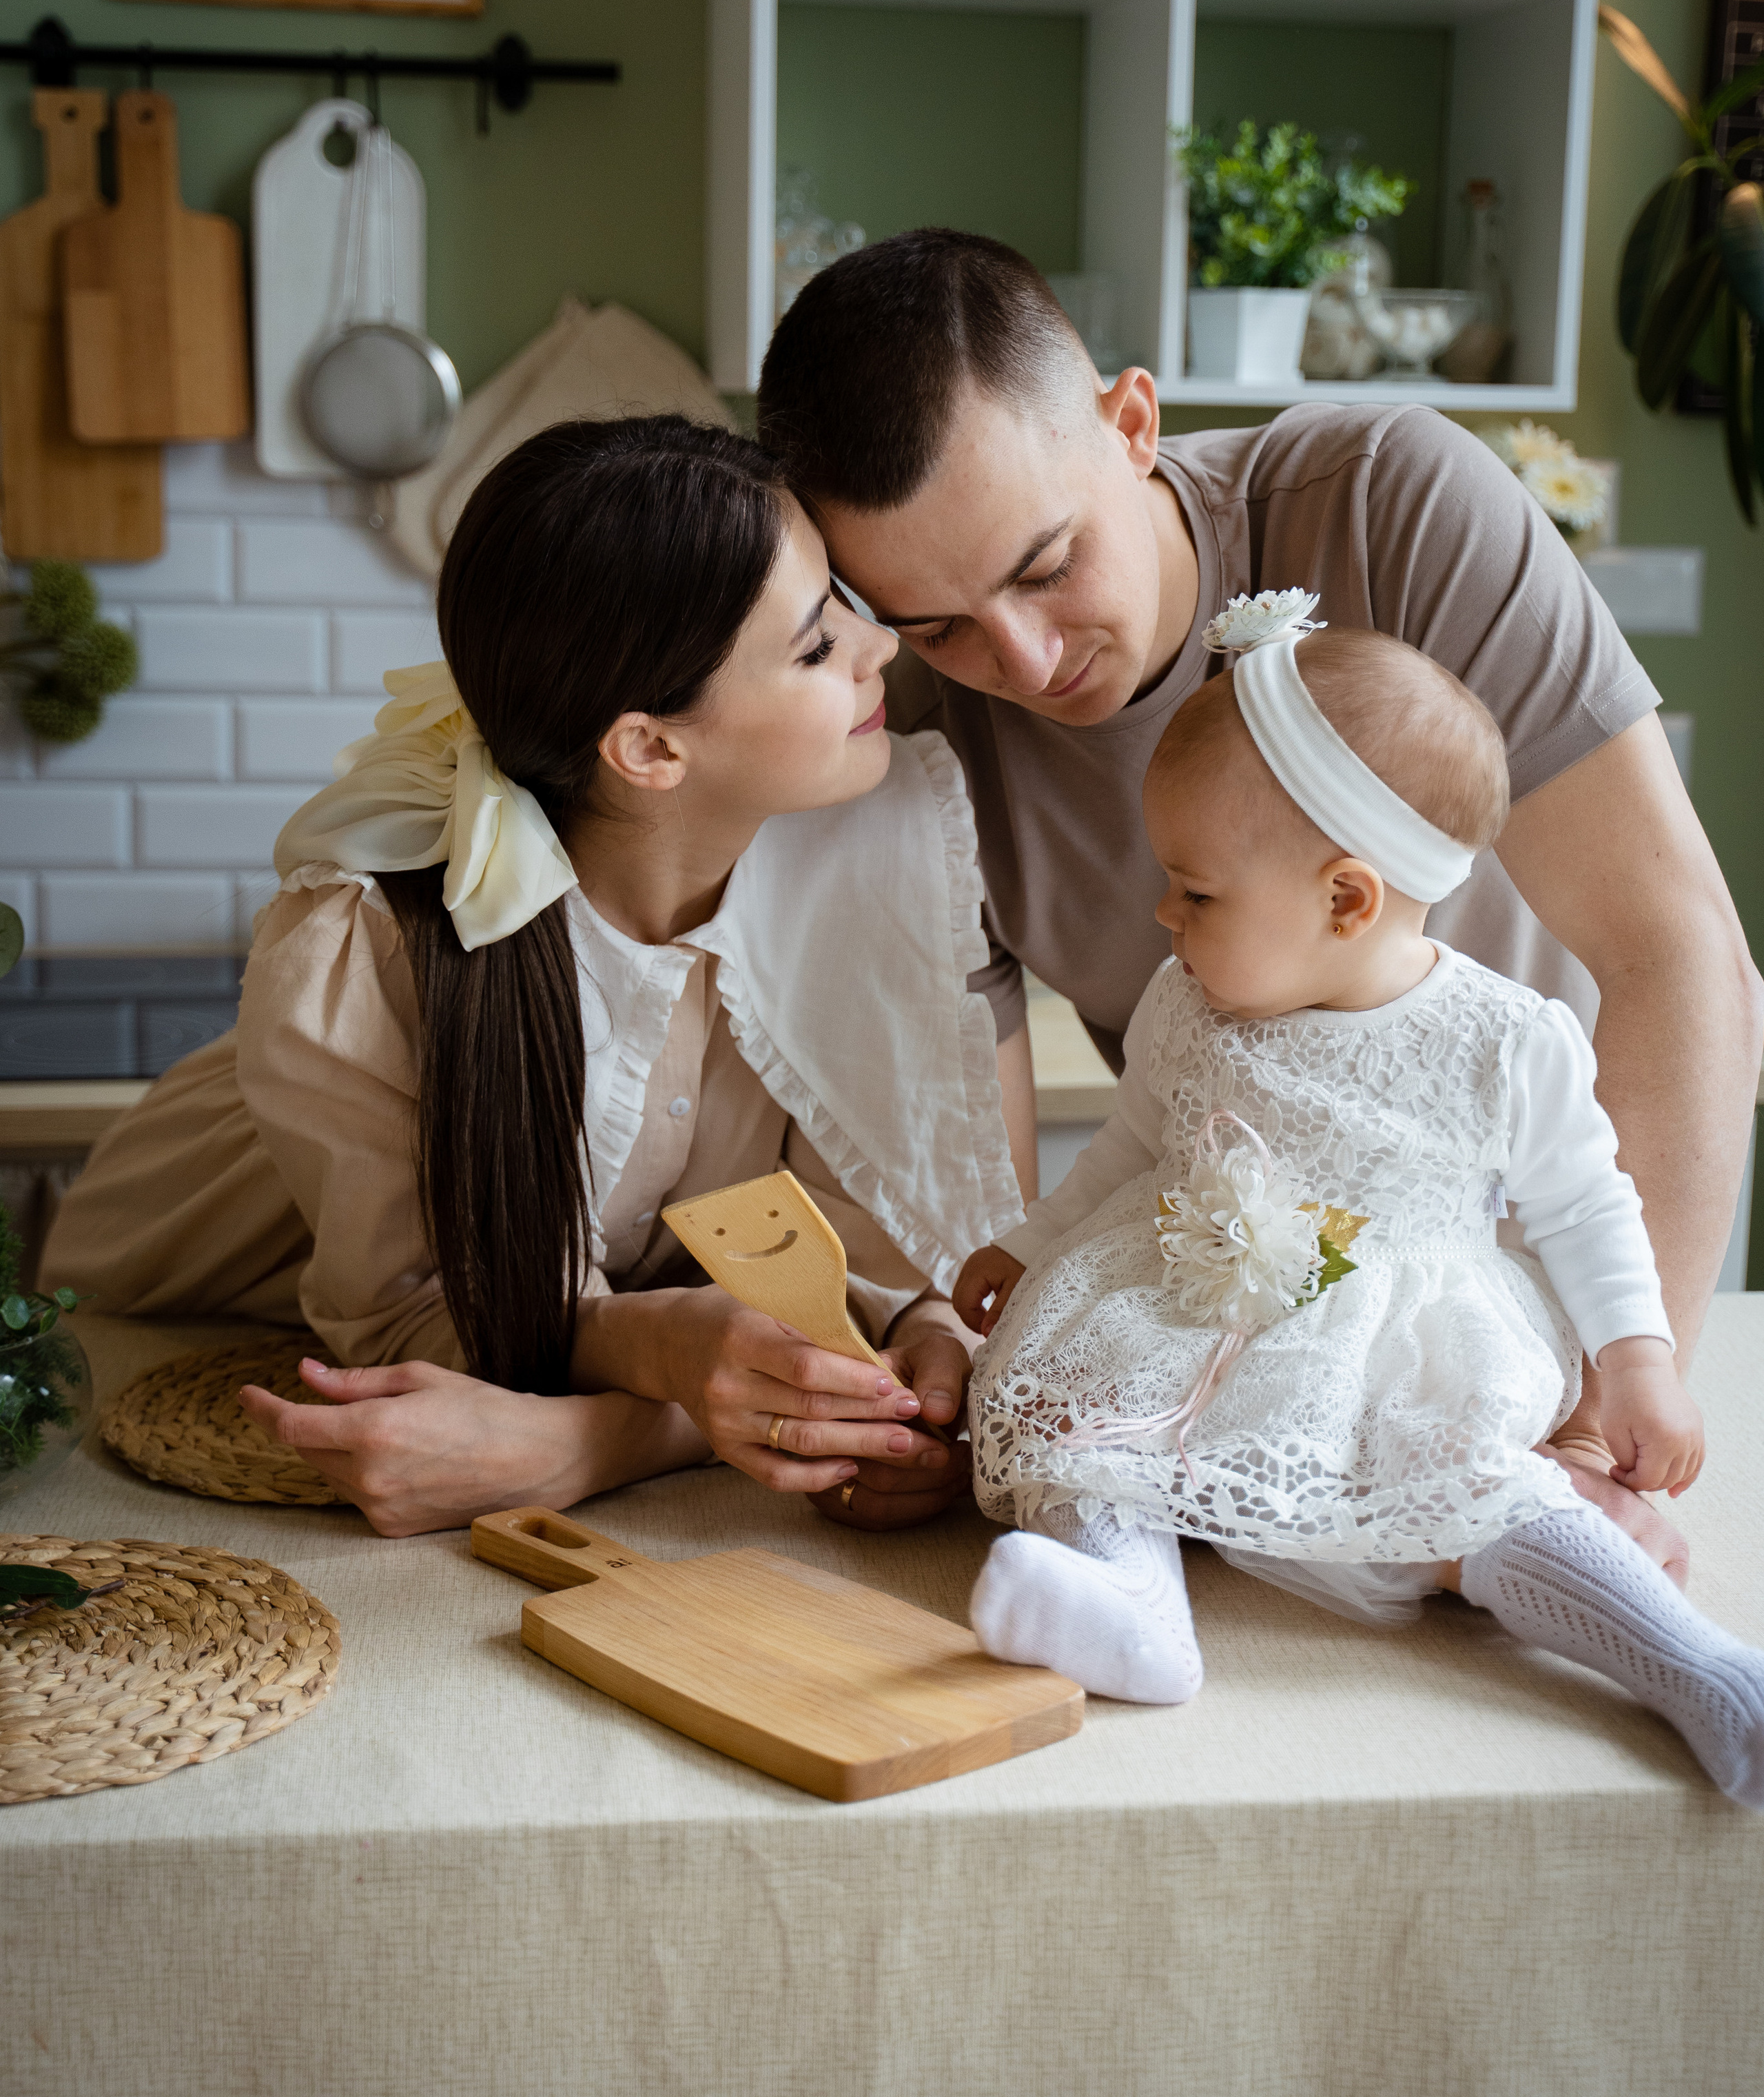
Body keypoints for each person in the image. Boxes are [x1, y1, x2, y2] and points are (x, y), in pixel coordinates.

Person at [757, 229, 1764, 1572]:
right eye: (933, 622)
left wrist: (1599, 1420)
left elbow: (1675, 957)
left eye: (1045, 565)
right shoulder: (921, 729)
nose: (1023, 659)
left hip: (1573, 1283)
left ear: (1129, 423)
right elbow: (986, 1178)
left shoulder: (1382, 504)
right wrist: (955, 1353)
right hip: (1254, 1348)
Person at [46, 417, 1023, 1535]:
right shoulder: (360, 950)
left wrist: (921, 1363)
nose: (879, 646)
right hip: (154, 1313)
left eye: (840, 604)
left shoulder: (869, 857)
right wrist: (659, 1361)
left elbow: (871, 1265)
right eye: (815, 648)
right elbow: (409, 1316)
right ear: (650, 748)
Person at [950, 600, 1764, 1810]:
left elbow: (1589, 1208)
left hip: (1391, 1338)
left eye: (1197, 892)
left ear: (1347, 898)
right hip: (1182, 1305)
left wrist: (1637, 1361)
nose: (1166, 920)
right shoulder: (1189, 1005)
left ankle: (1696, 1666)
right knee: (1078, 1416)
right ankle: (1131, 1605)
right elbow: (1129, 1148)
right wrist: (1033, 1241)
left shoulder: (1503, 1039)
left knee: (1479, 1486)